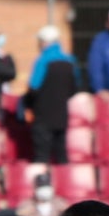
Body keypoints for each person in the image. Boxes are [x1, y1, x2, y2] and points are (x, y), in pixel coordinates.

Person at [27, 26, 79, 165]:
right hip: (62, 116)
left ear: (44, 42)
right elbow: (74, 88)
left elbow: (34, 88)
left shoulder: (42, 61)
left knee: (41, 157)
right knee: (62, 155)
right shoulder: (70, 61)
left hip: (43, 117)